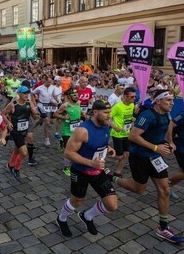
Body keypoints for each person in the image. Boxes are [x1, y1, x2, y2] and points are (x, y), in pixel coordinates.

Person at [111, 89, 184, 244]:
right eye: (168, 100)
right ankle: (111, 177)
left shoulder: (166, 114)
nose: (172, 103)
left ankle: (163, 227)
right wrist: (156, 148)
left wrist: (169, 143)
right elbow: (133, 136)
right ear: (158, 101)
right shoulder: (147, 116)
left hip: (155, 157)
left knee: (165, 190)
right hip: (140, 157)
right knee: (140, 190)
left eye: (172, 100)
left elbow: (166, 130)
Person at [56, 100, 117, 238]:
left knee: (112, 205)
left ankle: (87, 216)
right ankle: (61, 218)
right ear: (95, 112)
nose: (109, 116)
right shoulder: (82, 130)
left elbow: (100, 144)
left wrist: (108, 149)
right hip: (80, 171)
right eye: (106, 113)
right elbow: (68, 153)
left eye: (110, 112)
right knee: (77, 201)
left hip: (97, 170)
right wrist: (91, 163)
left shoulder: (106, 125)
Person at [2, 86, 39, 181]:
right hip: (15, 131)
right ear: (19, 94)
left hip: (24, 130)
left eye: (28, 93)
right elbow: (3, 113)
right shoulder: (13, 104)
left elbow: (35, 118)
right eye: (24, 93)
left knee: (17, 149)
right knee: (24, 152)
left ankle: (10, 165)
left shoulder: (29, 103)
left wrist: (35, 113)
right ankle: (16, 168)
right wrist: (8, 122)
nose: (27, 95)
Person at [53, 88, 83, 176]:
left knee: (78, 148)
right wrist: (64, 118)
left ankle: (62, 141)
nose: (76, 96)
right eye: (74, 95)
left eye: (77, 94)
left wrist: (83, 115)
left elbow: (79, 113)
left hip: (76, 130)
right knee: (69, 150)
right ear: (69, 97)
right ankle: (66, 167)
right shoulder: (65, 106)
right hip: (67, 131)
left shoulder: (78, 103)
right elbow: (55, 114)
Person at [109, 87, 137, 177]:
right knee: (120, 156)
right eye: (132, 97)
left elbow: (129, 117)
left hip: (127, 133)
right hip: (117, 134)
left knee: (127, 154)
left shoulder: (132, 105)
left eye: (135, 97)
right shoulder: (117, 106)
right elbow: (107, 118)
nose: (134, 98)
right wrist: (114, 126)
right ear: (125, 97)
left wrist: (133, 119)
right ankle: (106, 150)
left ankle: (118, 172)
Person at [32, 76, 62, 147]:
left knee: (41, 120)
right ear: (44, 81)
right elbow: (32, 93)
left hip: (49, 105)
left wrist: (57, 100)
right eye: (48, 82)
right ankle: (47, 139)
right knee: (47, 122)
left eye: (51, 82)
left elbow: (53, 95)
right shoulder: (40, 88)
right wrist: (34, 102)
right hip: (41, 105)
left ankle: (32, 128)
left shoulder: (52, 87)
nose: (50, 83)